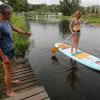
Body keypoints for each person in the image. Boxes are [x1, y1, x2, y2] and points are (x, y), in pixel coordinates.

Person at [0, 4, 31, 96]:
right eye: (10, 13)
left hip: (10, 49)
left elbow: (15, 29)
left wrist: (26, 33)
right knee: (8, 72)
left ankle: (11, 80)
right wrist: (3, 57)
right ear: (4, 13)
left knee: (10, 69)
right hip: (5, 52)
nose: (11, 15)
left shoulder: (6, 21)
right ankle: (9, 92)